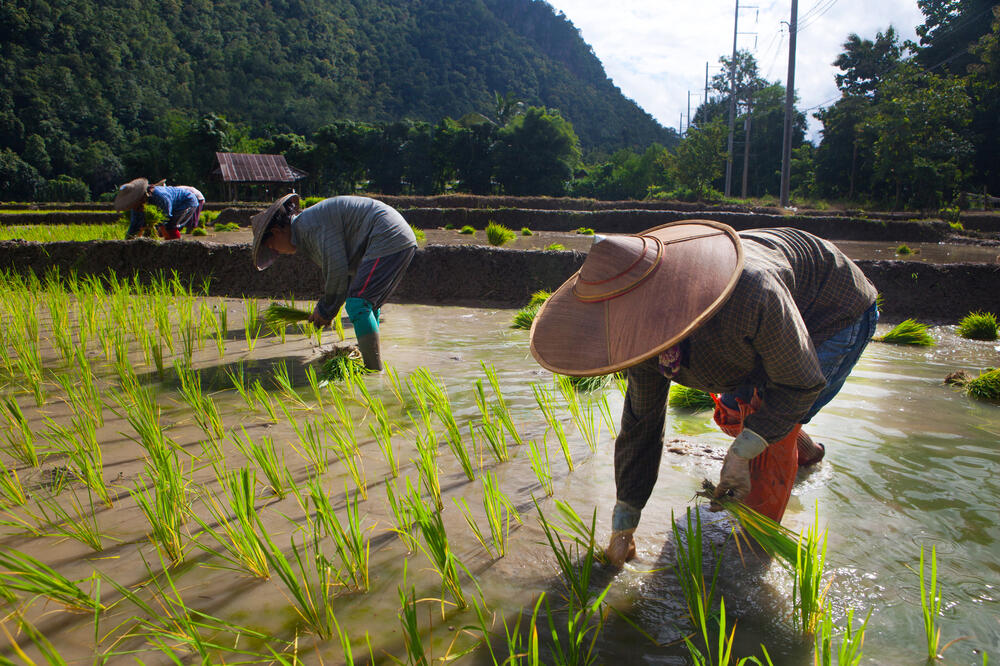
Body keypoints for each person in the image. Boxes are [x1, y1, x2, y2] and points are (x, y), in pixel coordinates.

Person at [529, 221, 878, 567]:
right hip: (761, 323)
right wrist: (624, 527)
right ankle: (808, 453)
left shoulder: (752, 294)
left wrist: (742, 452)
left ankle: (755, 550)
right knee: (733, 415)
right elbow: (641, 428)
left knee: (767, 440)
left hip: (830, 312)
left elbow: (799, 383)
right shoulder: (642, 338)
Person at [251, 194, 418, 370]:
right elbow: (346, 273)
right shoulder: (306, 227)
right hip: (396, 237)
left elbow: (337, 269)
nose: (277, 252)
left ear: (276, 232)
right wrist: (327, 309)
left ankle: (373, 372)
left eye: (272, 246)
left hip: (387, 236)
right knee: (367, 305)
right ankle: (368, 358)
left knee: (357, 304)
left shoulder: (308, 226)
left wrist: (326, 309)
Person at [114, 178, 201, 240]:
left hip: (186, 201)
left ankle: (175, 249)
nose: (135, 207)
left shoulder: (160, 197)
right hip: (171, 204)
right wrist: (128, 242)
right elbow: (134, 226)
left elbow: (165, 218)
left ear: (142, 197)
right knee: (138, 224)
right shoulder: (136, 205)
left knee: (169, 227)